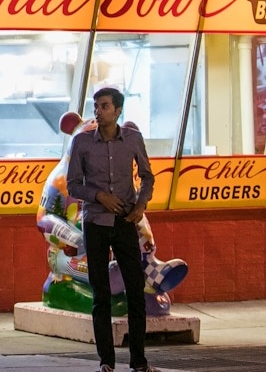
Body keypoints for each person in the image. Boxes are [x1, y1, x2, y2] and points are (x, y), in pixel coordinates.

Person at [65, 88, 158, 372]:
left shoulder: (132, 139)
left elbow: (147, 177)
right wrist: (99, 196)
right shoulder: (81, 142)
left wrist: (141, 205)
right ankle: (106, 361)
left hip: (125, 222)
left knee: (134, 290)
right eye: (96, 106)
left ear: (118, 111)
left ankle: (139, 362)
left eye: (104, 106)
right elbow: (73, 185)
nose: (98, 111)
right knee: (100, 294)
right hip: (95, 222)